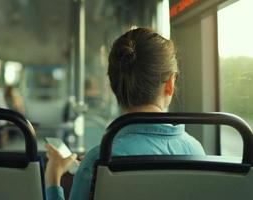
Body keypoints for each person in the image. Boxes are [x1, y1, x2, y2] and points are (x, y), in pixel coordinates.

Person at [45, 27, 205, 200]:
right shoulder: (196, 151)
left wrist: (53, 178)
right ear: (170, 84)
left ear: (114, 86)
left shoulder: (97, 161)